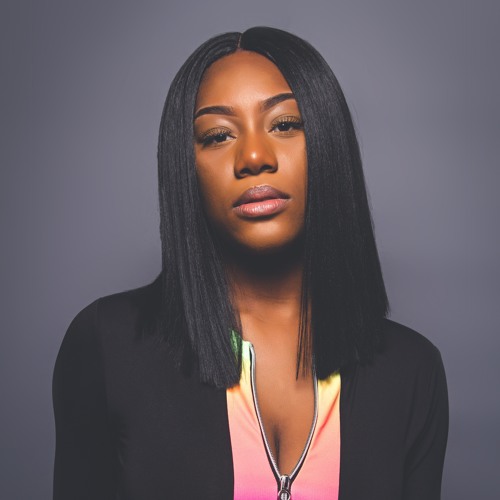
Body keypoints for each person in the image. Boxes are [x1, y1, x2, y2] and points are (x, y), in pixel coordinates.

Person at [52, 27, 448, 500]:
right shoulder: (108, 345)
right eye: (218, 135)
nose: (254, 158)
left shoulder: (412, 370)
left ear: (328, 142)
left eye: (285, 124)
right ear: (186, 167)